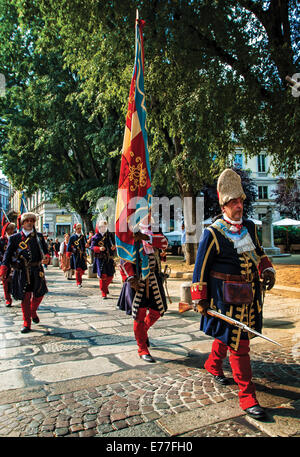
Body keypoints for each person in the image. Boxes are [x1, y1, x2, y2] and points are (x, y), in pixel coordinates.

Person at [191, 169, 276, 420]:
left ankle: (212, 365)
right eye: (233, 203)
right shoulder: (213, 232)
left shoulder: (249, 226)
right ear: (223, 205)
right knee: (240, 345)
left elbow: (258, 253)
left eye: (240, 201)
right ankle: (247, 397)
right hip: (226, 300)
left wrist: (267, 268)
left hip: (250, 298)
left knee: (229, 336)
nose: (238, 206)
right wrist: (201, 299)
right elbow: (201, 268)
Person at [117, 220, 168, 363]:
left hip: (154, 277)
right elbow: (123, 255)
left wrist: (146, 237)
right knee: (139, 315)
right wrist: (131, 278)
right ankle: (142, 348)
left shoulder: (155, 227)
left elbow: (164, 243)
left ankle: (142, 333)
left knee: (157, 311)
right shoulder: (129, 228)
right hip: (138, 280)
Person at [0, 212, 50, 333]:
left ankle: (33, 311)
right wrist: (3, 268)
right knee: (25, 298)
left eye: (31, 221)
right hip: (22, 271)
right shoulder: (14, 238)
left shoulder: (38, 236)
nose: (29, 223)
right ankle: (26, 322)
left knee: (40, 293)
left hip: (37, 270)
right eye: (27, 221)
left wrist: (47, 257)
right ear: (22, 223)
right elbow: (7, 256)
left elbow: (45, 250)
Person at [90, 221, 116, 299]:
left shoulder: (110, 235)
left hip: (109, 258)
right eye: (101, 227)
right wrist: (99, 248)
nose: (103, 228)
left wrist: (114, 247)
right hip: (100, 259)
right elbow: (92, 247)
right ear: (99, 228)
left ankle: (104, 287)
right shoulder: (95, 237)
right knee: (103, 276)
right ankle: (103, 292)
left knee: (110, 276)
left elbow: (114, 244)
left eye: (104, 226)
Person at [0, 222, 16, 306]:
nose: (11, 231)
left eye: (12, 229)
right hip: (5, 264)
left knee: (17, 281)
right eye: (10, 229)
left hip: (15, 263)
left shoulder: (16, 238)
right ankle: (8, 299)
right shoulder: (2, 240)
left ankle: (18, 295)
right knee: (5, 282)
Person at [66, 223, 87, 288]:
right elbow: (69, 246)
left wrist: (87, 245)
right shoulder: (72, 237)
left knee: (83, 269)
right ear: (75, 229)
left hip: (82, 255)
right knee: (77, 269)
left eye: (80, 228)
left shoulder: (83, 237)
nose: (79, 230)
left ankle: (79, 278)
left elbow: (85, 244)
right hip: (76, 255)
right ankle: (78, 282)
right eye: (78, 229)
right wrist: (69, 253)